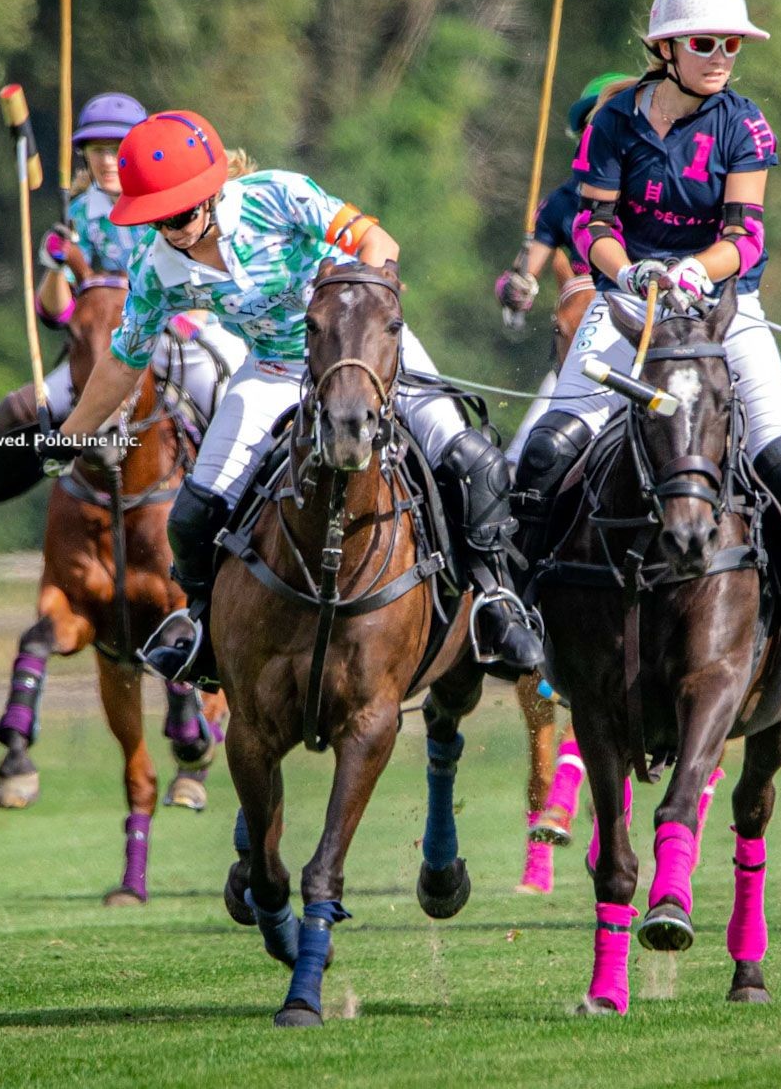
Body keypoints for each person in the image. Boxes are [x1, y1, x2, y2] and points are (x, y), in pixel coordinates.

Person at [38, 109, 544, 684]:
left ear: (209, 192)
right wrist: (71, 432)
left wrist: (364, 321)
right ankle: (201, 626)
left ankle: (496, 602)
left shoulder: (277, 197)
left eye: (178, 213)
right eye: (156, 219)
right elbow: (126, 360)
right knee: (194, 513)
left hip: (361, 358)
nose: (171, 230)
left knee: (472, 463)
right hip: (275, 373)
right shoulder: (155, 268)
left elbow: (376, 240)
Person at [510, 0, 781, 701]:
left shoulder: (746, 124)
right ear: (667, 48)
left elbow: (746, 233)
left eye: (732, 42)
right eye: (707, 42)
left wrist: (697, 273)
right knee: (545, 453)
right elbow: (590, 225)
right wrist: (632, 272)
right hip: (626, 308)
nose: (723, 54)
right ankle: (519, 613)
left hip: (724, 311)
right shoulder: (613, 122)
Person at [0, 92, 246, 531]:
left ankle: (235, 520)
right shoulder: (77, 216)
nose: (108, 160)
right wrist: (56, 263)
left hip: (175, 334)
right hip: (107, 347)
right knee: (21, 409)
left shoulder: (165, 200)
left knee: (226, 395)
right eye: (98, 150)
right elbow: (56, 313)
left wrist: (187, 313)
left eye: (118, 149)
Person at [495, 72, 636, 466]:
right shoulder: (561, 203)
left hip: (650, 330)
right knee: (527, 455)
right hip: (584, 342)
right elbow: (520, 275)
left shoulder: (653, 189)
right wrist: (516, 287)